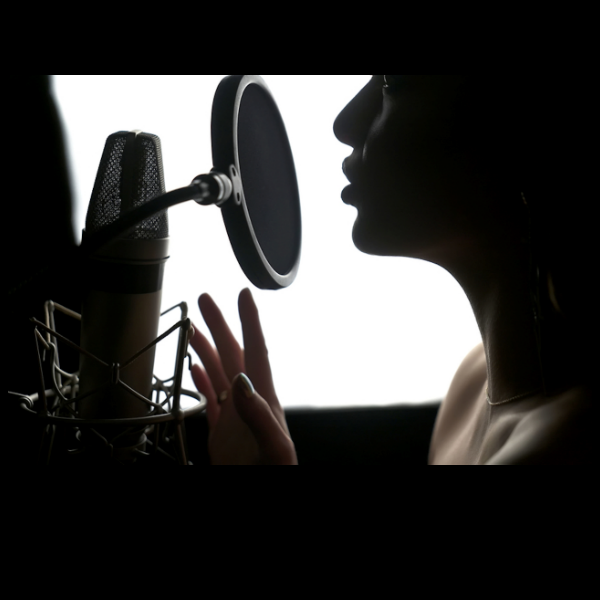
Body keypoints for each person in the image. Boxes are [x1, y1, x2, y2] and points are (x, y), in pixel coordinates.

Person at [189, 75, 594, 466]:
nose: (344, 122)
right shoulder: (471, 385)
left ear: (519, 119)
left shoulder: (560, 449)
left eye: (393, 84)